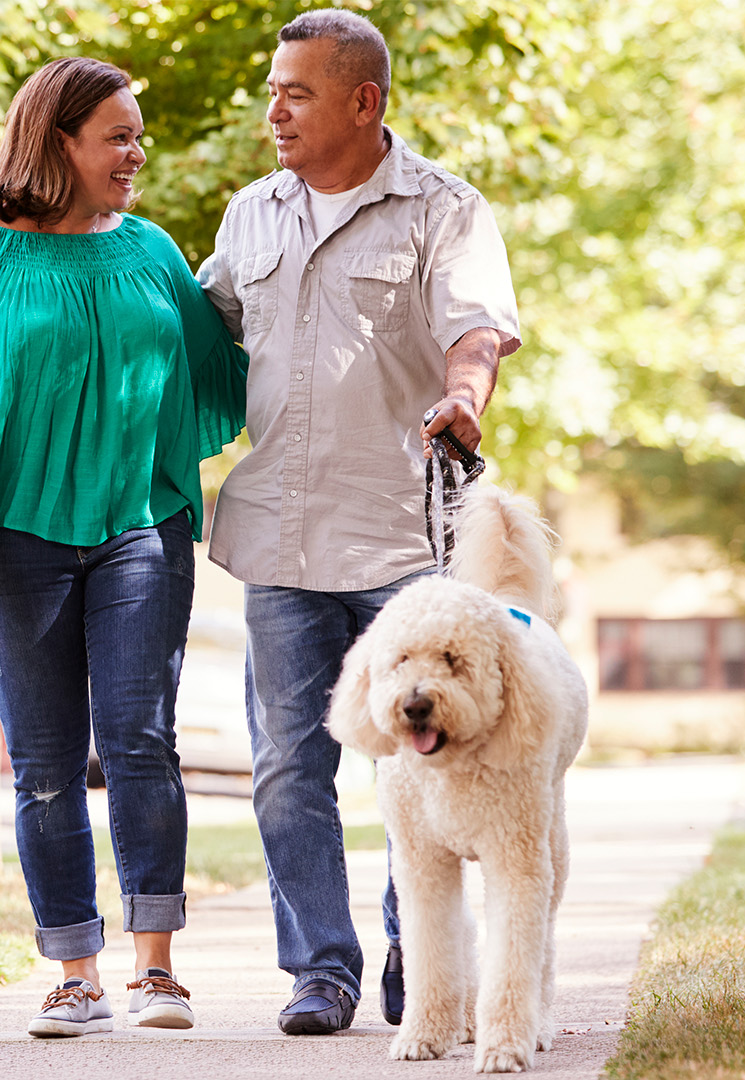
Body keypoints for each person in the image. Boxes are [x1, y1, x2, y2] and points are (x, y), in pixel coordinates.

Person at [0, 56, 248, 1039]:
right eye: (118, 136)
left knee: (140, 742)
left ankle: (156, 967)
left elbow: (229, 361)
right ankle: (75, 972)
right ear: (60, 143)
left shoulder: (153, 251)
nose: (137, 152)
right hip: (15, 543)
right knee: (44, 764)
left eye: (136, 134)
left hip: (139, 530)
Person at [196, 10, 522, 1035]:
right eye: (273, 89)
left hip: (404, 541)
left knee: (419, 761)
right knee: (291, 761)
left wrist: (465, 395)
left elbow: (476, 330)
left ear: (364, 101)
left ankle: (411, 961)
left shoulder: (443, 210)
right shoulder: (251, 213)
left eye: (296, 91)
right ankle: (319, 971)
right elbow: (199, 330)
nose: (274, 110)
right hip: (281, 538)